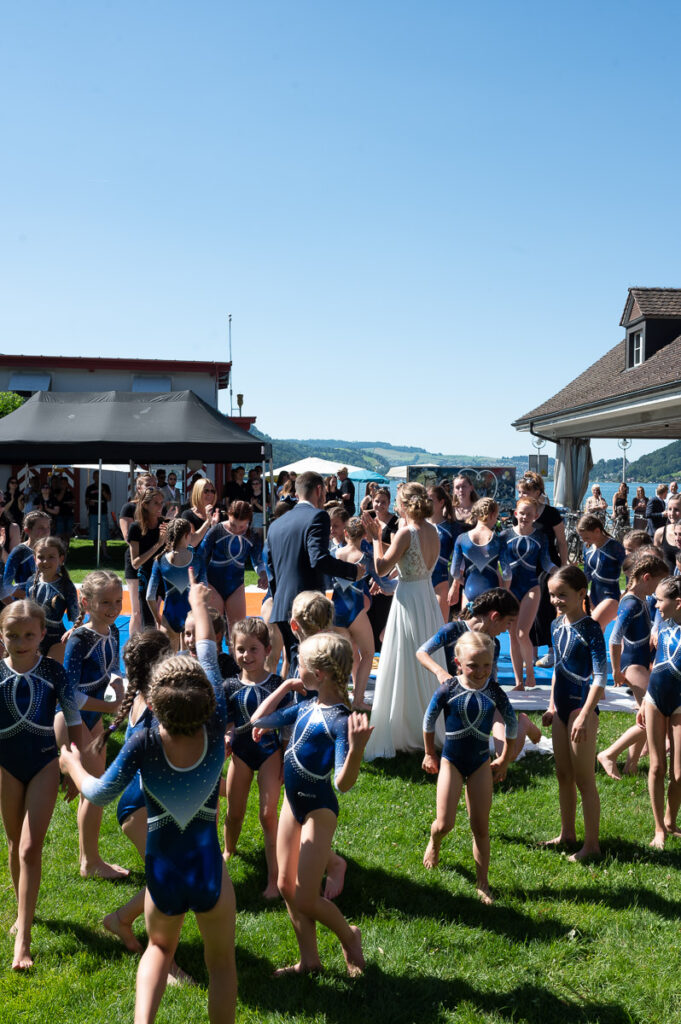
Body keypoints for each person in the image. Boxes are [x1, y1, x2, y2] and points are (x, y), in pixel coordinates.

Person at [60, 577, 237, 1024]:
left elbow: (99, 792)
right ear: (203, 697)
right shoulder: (216, 722)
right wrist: (198, 605)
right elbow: (209, 654)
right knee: (221, 968)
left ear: (154, 700)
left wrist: (73, 766)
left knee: (158, 949)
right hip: (209, 871)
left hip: (163, 873)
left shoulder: (142, 740)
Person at [252, 632, 371, 977]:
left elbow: (342, 783)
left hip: (319, 809)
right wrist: (284, 688)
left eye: (299, 664)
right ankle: (309, 961)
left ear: (319, 674)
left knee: (305, 896)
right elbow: (259, 721)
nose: (295, 668)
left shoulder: (338, 719)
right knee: (287, 887)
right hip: (293, 802)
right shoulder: (306, 705)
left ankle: (350, 936)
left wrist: (357, 749)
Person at [94, 630, 191, 984]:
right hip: (141, 805)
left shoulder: (142, 698)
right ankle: (167, 964)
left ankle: (121, 919)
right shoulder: (156, 702)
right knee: (171, 885)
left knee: (172, 880)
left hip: (142, 803)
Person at [0, 599, 83, 970]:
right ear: (1, 636)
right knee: (15, 843)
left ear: (42, 634)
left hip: (44, 762)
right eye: (12, 635)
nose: (20, 642)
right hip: (6, 765)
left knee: (31, 848)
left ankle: (24, 937)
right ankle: (21, 912)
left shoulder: (53, 671)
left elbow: (74, 718)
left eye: (28, 635)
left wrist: (74, 768)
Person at [421, 631, 517, 903]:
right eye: (473, 665)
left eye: (487, 665)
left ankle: (482, 882)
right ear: (458, 663)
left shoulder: (495, 691)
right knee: (445, 823)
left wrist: (505, 759)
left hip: (479, 763)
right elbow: (429, 722)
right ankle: (435, 840)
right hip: (451, 761)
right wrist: (429, 753)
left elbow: (511, 724)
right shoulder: (448, 689)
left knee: (481, 826)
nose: (481, 671)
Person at [362, 483, 447, 759]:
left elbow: (382, 568)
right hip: (426, 598)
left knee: (404, 658)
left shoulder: (405, 532)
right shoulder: (432, 530)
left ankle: (405, 728)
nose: (396, 505)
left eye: (398, 501)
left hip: (408, 599)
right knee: (422, 659)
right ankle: (428, 725)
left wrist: (375, 538)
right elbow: (409, 555)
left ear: (406, 504)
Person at [60, 571, 126, 880]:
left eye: (118, 601)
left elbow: (111, 669)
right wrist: (110, 706)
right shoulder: (79, 638)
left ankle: (91, 859)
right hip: (72, 718)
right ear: (86, 603)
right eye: (105, 603)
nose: (113, 608)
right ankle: (89, 861)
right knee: (93, 788)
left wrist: (121, 689)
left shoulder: (111, 632)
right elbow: (69, 693)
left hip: (93, 715)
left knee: (95, 789)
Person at [542, 566, 606, 861]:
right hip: (562, 710)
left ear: (582, 594)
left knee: (584, 779)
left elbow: (600, 677)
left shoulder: (591, 628)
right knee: (563, 774)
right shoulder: (556, 625)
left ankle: (591, 845)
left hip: (582, 709)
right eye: (552, 595)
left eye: (562, 595)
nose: (556, 600)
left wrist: (584, 715)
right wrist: (552, 705)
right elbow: (557, 668)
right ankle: (567, 832)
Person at [266, 471, 362, 662]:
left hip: (282, 606)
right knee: (312, 663)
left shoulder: (276, 524)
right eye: (325, 492)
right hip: (307, 606)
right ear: (319, 490)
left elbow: (271, 570)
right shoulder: (318, 517)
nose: (325, 497)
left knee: (296, 662)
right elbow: (318, 558)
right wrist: (353, 571)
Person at [222, 617, 282, 898]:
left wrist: (287, 756)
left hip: (270, 752)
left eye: (253, 649)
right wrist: (226, 735)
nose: (246, 656)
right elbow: (228, 720)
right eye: (241, 649)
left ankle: (274, 879)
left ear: (268, 649)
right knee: (234, 813)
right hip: (241, 755)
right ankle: (228, 849)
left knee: (269, 816)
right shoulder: (229, 686)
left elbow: (289, 724)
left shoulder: (277, 685)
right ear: (232, 649)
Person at [598, 551, 669, 780]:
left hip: (639, 663)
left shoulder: (640, 600)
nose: (658, 592)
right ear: (647, 578)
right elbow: (614, 638)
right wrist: (617, 670)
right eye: (658, 585)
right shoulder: (630, 602)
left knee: (644, 715)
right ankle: (609, 754)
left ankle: (631, 765)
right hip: (632, 665)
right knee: (651, 716)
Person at [637, 576, 681, 849]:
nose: (655, 604)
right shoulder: (663, 628)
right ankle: (658, 829)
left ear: (678, 603)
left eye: (659, 600)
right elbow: (655, 667)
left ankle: (670, 820)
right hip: (655, 698)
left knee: (679, 773)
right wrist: (643, 702)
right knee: (656, 766)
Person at [500, 497, 556, 690]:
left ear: (536, 516)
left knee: (523, 633)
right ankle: (518, 682)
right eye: (522, 513)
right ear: (516, 513)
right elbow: (496, 560)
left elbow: (546, 562)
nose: (524, 517)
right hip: (510, 588)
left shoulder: (541, 536)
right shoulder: (504, 535)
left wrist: (562, 572)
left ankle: (529, 675)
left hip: (531, 587)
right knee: (513, 636)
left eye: (529, 514)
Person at [416, 587, 519, 684]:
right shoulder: (453, 630)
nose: (507, 628)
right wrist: (440, 672)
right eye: (509, 622)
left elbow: (490, 681)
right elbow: (421, 652)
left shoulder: (494, 643)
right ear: (495, 617)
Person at [517, 471, 567, 669]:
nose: (522, 496)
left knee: (546, 606)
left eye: (526, 492)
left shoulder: (551, 513)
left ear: (538, 492)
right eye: (520, 492)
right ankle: (531, 649)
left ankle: (552, 649)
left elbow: (562, 542)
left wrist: (563, 567)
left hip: (548, 563)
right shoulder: (521, 511)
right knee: (527, 607)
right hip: (528, 563)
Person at [200, 500, 267, 635]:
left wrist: (263, 573)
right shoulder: (217, 530)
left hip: (236, 586)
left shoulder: (252, 536)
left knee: (238, 632)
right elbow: (200, 557)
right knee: (213, 631)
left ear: (249, 522)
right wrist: (201, 580)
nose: (237, 530)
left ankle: (234, 656)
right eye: (233, 525)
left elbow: (258, 560)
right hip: (213, 584)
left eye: (242, 527)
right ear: (228, 516)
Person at [147, 518, 207, 650]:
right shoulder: (197, 560)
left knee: (169, 664)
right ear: (186, 535)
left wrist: (158, 618)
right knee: (188, 664)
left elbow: (150, 596)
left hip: (169, 616)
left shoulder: (160, 560)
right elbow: (205, 590)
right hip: (191, 616)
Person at [25, 537, 79, 661]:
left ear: (61, 559)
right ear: (34, 559)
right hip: (33, 637)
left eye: (51, 557)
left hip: (57, 639)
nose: (45, 561)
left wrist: (73, 630)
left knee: (50, 672)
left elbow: (76, 616)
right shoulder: (30, 583)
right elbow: (26, 612)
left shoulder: (66, 585)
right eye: (41, 557)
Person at [120, 473, 157, 637]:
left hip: (154, 562)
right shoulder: (129, 508)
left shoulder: (157, 508)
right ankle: (134, 647)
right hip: (136, 561)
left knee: (154, 609)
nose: (152, 488)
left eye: (154, 485)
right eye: (148, 485)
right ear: (139, 488)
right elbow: (128, 537)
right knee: (137, 611)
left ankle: (152, 644)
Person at [127, 488, 169, 631]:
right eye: (156, 503)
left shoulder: (165, 524)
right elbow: (135, 563)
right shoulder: (136, 528)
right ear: (145, 505)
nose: (160, 506)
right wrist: (158, 544)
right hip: (147, 576)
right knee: (148, 623)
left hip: (165, 574)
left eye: (161, 503)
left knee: (173, 618)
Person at [449, 498, 504, 604]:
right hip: (492, 590)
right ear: (492, 515)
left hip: (470, 588)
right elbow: (506, 573)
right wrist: (505, 590)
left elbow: (454, 572)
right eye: (496, 517)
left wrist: (465, 582)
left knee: (468, 620)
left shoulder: (462, 538)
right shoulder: (498, 540)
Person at [577, 513, 626, 630]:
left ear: (597, 531)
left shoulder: (614, 547)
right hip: (594, 595)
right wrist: (578, 589)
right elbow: (587, 573)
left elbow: (630, 570)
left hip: (610, 596)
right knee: (597, 634)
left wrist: (628, 592)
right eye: (582, 538)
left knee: (592, 629)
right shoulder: (587, 547)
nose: (584, 541)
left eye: (587, 537)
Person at [365, 487, 400, 651]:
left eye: (383, 502)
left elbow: (394, 548)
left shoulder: (394, 522)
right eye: (377, 501)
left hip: (386, 574)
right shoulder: (369, 518)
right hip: (368, 572)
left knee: (382, 616)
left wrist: (375, 539)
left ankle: (381, 653)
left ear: (389, 503)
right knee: (368, 617)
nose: (379, 505)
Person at [428, 485, 465, 621]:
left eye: (431, 500)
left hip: (441, 580)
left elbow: (460, 557)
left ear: (441, 502)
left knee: (439, 626)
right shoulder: (420, 524)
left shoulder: (452, 527)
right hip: (420, 580)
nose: (427, 503)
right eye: (425, 499)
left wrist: (455, 585)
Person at [2, 510, 51, 590]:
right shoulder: (20, 551)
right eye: (41, 528)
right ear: (27, 530)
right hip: (25, 600)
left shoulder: (51, 550)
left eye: (48, 527)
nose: (46, 531)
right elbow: (6, 585)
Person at [85, 471, 112, 561]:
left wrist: (103, 490)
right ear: (93, 477)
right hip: (93, 514)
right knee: (94, 535)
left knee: (103, 535)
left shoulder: (105, 486)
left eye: (98, 476)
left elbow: (109, 498)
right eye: (95, 476)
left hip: (103, 514)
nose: (97, 478)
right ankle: (97, 554)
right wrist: (89, 502)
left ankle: (105, 553)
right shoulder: (90, 488)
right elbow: (86, 500)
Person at [653, 492, 681, 571]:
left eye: (676, 510)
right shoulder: (660, 533)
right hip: (667, 581)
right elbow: (655, 561)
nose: (672, 513)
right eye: (669, 509)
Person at [48, 473, 74, 546]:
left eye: (65, 483)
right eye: (62, 483)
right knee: (60, 533)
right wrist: (62, 490)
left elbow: (73, 501)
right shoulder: (57, 491)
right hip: (60, 515)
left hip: (69, 514)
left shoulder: (69, 491)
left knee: (68, 534)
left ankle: (66, 549)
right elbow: (58, 499)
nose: (64, 484)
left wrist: (71, 503)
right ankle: (59, 548)